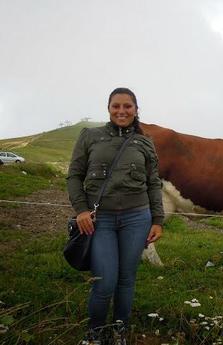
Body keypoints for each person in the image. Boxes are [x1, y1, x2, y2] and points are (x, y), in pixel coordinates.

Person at [67, 87, 164, 344]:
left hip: (137, 218)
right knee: (104, 281)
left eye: (127, 106)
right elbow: (74, 176)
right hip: (101, 221)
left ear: (136, 109)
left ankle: (120, 330)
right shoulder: (90, 136)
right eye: (116, 106)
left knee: (126, 279)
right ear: (108, 109)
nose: (122, 111)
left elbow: (154, 183)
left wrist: (157, 220)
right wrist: (81, 210)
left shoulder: (145, 142)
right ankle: (95, 332)